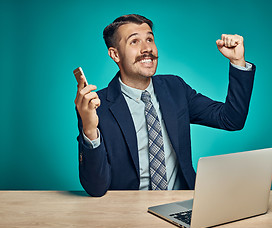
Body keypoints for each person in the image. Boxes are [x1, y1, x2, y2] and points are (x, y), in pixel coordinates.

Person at [75, 14, 256, 197]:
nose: (147, 48)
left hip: (180, 204)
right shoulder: (95, 106)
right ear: (115, 54)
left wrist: (237, 62)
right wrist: (90, 129)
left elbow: (231, 119)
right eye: (134, 42)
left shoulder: (175, 88)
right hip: (127, 213)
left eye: (149, 39)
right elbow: (96, 188)